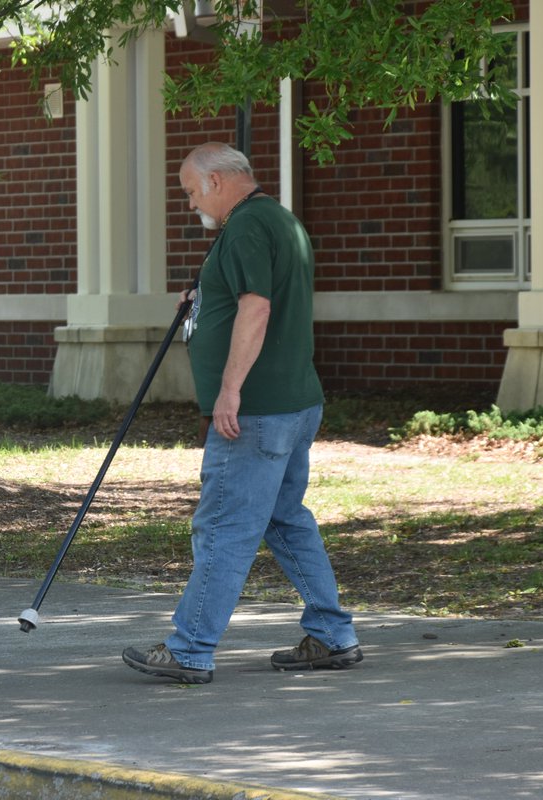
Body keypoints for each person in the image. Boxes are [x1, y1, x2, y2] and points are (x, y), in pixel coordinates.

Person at [122, 142, 362, 684]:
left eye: (188, 191)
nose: (189, 204)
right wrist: (204, 294)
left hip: (257, 411)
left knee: (224, 527)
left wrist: (230, 391)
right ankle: (332, 634)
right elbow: (246, 296)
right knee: (284, 519)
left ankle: (189, 649)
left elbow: (257, 307)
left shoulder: (249, 226)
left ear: (215, 180)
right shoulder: (278, 220)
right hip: (294, 402)